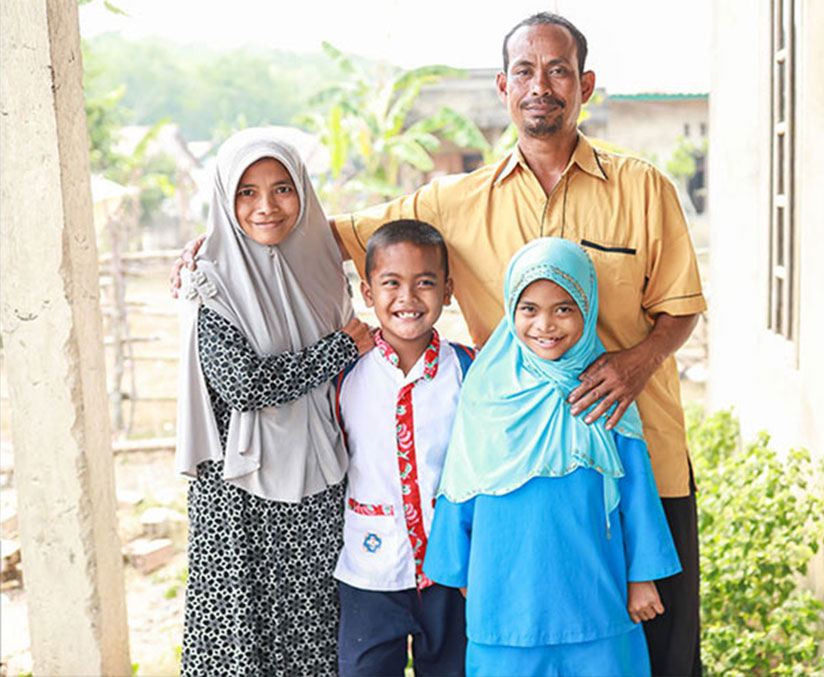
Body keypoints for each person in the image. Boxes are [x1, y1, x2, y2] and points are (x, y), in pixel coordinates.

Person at [172, 13, 705, 673]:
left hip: (635, 448)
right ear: (503, 88)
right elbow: (330, 229)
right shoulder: (455, 201)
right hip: (511, 467)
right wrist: (224, 244)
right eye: (524, 72)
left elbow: (681, 308)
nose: (541, 85)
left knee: (653, 647)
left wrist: (636, 362)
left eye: (559, 70)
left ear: (586, 84)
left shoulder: (644, 187)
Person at [424, 237, 680, 677]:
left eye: (564, 308)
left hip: (596, 595)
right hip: (504, 599)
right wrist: (459, 567)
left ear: (588, 306)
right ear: (510, 308)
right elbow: (459, 480)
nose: (545, 324)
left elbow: (636, 488)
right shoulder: (486, 390)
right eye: (529, 309)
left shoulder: (607, 388)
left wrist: (642, 576)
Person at [175, 129, 374, 675]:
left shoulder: (325, 272)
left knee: (316, 634)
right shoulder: (210, 282)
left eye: (283, 188)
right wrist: (339, 347)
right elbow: (245, 384)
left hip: (321, 482)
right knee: (245, 642)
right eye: (246, 192)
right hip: (242, 495)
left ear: (303, 192)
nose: (266, 206)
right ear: (225, 199)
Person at [331, 220, 472, 676]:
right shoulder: (344, 375)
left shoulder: (469, 370)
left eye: (425, 282)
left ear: (448, 290)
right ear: (368, 293)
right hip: (370, 571)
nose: (408, 298)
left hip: (453, 571)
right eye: (391, 283)